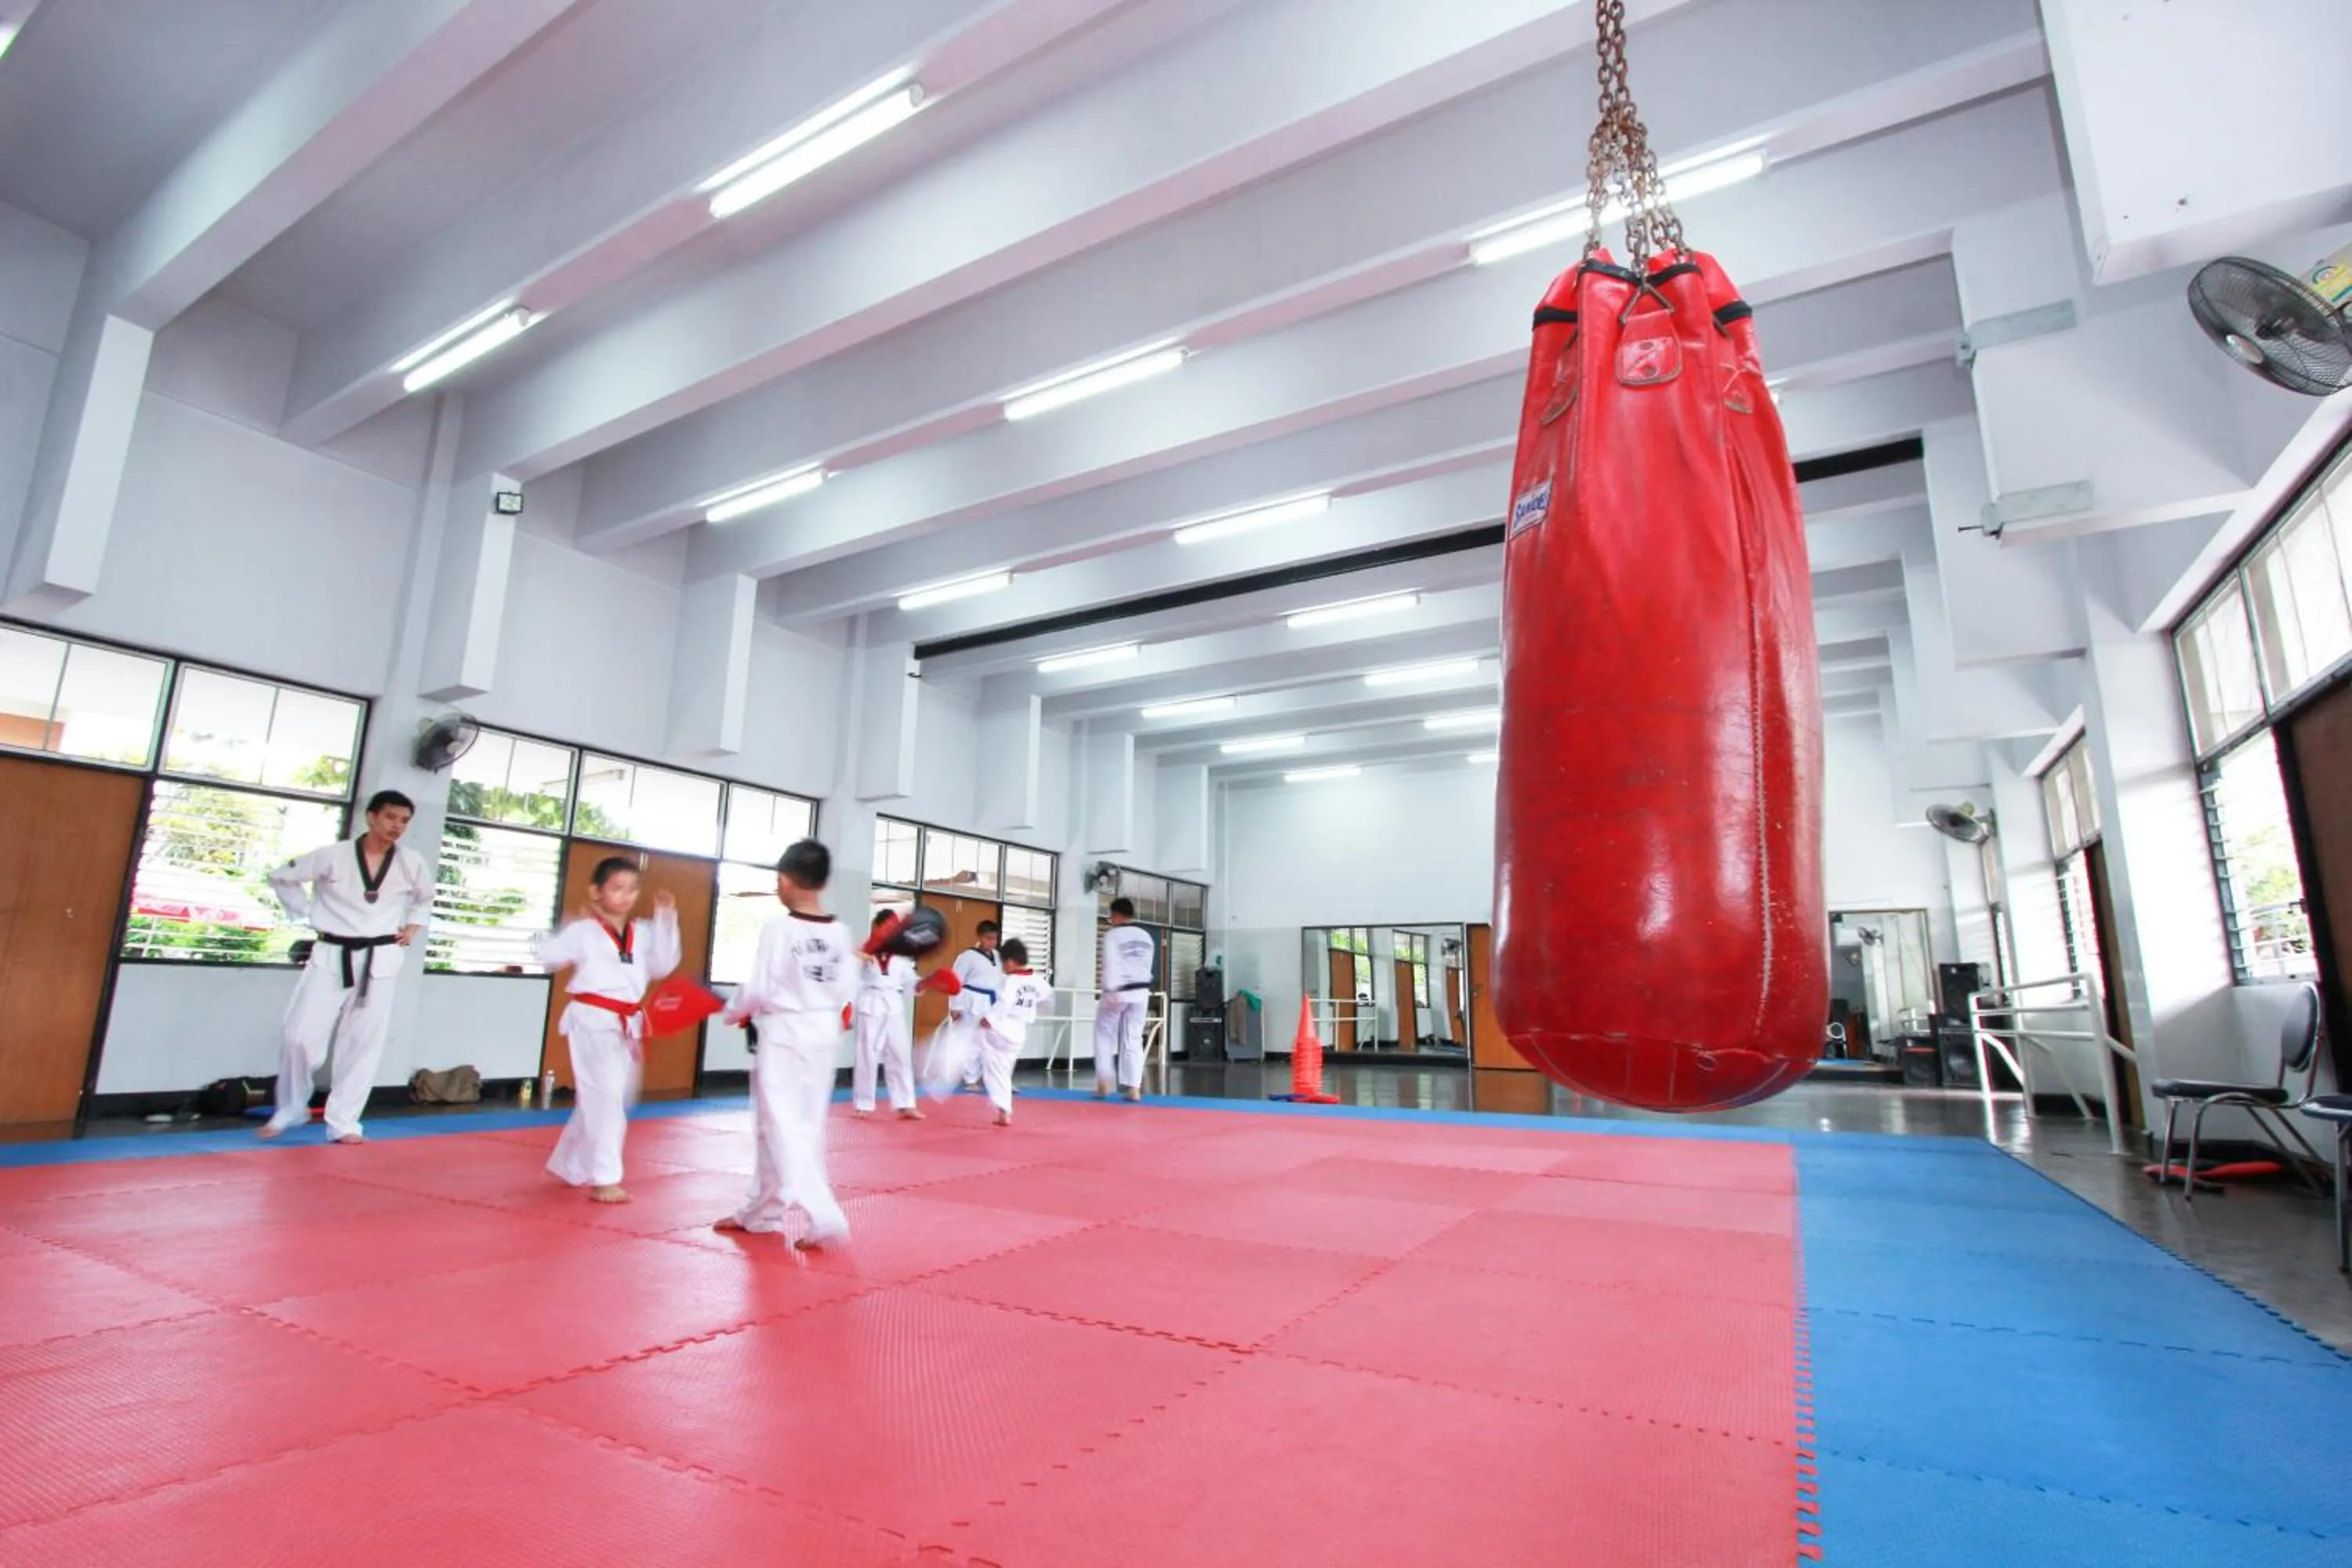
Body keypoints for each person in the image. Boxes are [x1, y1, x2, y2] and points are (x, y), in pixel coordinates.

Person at [259, 789, 435, 1144]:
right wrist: (306, 913)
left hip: (380, 957)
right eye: (390, 817)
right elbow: (282, 877)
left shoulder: (410, 862)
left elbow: (425, 897)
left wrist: (414, 926)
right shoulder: (333, 856)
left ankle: (344, 1122)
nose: (397, 826)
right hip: (331, 953)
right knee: (300, 1037)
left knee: (363, 1043)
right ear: (371, 817)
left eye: (404, 821)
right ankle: (291, 1108)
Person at [713, 840, 860, 1250]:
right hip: (822, 1033)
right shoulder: (840, 932)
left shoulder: (779, 930)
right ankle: (761, 1213)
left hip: (784, 1032)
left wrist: (732, 1009)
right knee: (791, 1125)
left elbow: (760, 987)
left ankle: (824, 1213)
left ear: (783, 880)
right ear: (825, 882)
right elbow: (845, 987)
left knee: (782, 1126)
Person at [535, 858, 680, 1203]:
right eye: (617, 888)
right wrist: (572, 923)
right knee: (607, 1097)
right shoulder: (583, 932)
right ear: (596, 892)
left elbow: (663, 964)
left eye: (632, 889)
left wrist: (665, 920)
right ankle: (604, 1178)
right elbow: (548, 956)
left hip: (627, 1023)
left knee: (610, 1096)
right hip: (592, 1019)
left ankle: (569, 1164)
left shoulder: (642, 932)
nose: (626, 896)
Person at [975, 938, 1054, 1127]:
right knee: (1002, 1068)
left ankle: (1004, 1110)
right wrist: (1032, 1012)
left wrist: (990, 1019)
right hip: (1019, 1032)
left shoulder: (1010, 981)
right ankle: (1004, 1111)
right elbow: (1048, 999)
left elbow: (1004, 1003)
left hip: (1002, 1029)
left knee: (989, 1061)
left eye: (1003, 962)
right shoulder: (1037, 981)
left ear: (1010, 961)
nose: (1002, 966)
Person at [853, 909, 922, 1120]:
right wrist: (861, 957)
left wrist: (927, 983)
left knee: (900, 1055)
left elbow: (910, 983)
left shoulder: (901, 956)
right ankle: (863, 1104)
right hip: (870, 1004)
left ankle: (905, 1104)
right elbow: (848, 973)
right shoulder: (863, 950)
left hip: (893, 1005)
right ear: (876, 928)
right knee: (867, 1055)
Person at [1094, 898, 1156, 1102]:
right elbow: (1147, 967)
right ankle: (1134, 1089)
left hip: (1118, 990)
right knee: (1133, 1039)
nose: (1110, 920)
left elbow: (1111, 964)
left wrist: (1110, 990)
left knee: (1104, 1034)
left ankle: (1104, 1083)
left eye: (1111, 915)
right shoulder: (1146, 936)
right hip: (1141, 992)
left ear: (1117, 915)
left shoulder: (1113, 935)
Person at [931, 920, 1001, 1093]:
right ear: (980, 937)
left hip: (992, 1002)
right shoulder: (967, 957)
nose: (992, 942)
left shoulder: (998, 957)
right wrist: (955, 1006)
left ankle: (993, 1078)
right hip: (971, 1001)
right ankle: (970, 1079)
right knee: (971, 1040)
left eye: (995, 939)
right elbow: (955, 982)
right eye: (989, 938)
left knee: (992, 1041)